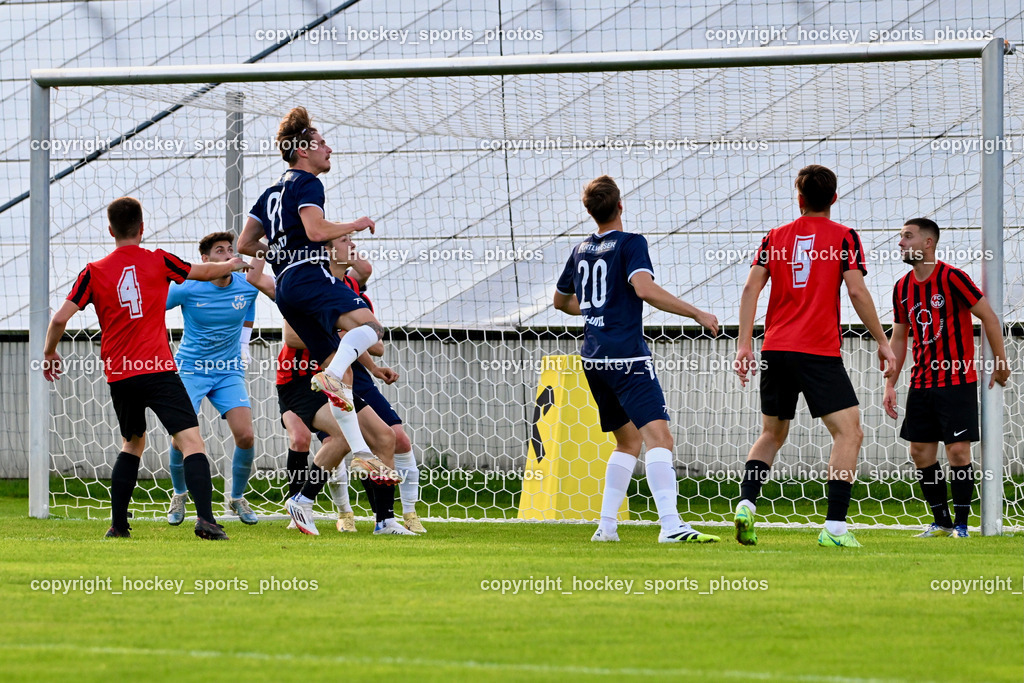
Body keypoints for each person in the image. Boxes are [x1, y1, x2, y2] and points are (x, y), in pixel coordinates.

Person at [41, 196, 247, 540]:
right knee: (192, 442)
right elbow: (206, 271)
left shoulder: (93, 271)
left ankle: (118, 526)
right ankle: (206, 520)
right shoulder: (160, 260)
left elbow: (60, 318)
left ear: (111, 231)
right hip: (158, 369)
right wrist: (234, 263)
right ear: (142, 228)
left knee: (132, 444)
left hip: (121, 373)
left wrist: (49, 352)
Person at [237, 106, 393, 531]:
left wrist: (278, 254)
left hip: (288, 286)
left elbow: (245, 244)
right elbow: (317, 231)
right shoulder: (307, 183)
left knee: (343, 379)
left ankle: (341, 472)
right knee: (372, 328)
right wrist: (356, 223)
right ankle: (336, 381)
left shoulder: (270, 193)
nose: (329, 149)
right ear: (303, 150)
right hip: (308, 276)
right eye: (322, 142)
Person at [734, 164, 896, 548]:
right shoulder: (844, 236)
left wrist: (744, 344)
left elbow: (750, 289)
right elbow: (856, 291)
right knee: (849, 432)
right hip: (817, 350)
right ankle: (835, 528)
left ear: (799, 199)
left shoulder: (774, 237)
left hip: (775, 348)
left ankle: (746, 504)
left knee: (771, 433)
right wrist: (883, 340)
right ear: (834, 198)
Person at [553, 175, 721, 544]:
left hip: (594, 359)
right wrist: (696, 313)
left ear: (589, 212)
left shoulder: (580, 249)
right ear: (620, 206)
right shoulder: (631, 243)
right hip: (627, 357)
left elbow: (560, 302)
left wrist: (596, 309)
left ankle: (606, 527)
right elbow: (644, 289)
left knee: (627, 442)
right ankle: (671, 526)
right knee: (660, 438)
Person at [883, 218, 1010, 538]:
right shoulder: (901, 287)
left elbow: (989, 317)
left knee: (958, 452)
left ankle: (963, 526)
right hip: (921, 383)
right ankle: (941, 521)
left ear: (928, 243)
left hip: (956, 381)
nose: (901, 243)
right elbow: (899, 337)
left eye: (907, 237)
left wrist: (1001, 361)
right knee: (919, 452)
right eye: (901, 237)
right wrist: (890, 383)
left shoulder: (953, 278)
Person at [164, 232, 260, 525]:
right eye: (220, 251)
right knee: (182, 438)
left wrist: (243, 345)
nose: (228, 254)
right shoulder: (186, 287)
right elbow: (152, 308)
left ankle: (237, 497)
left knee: (246, 436)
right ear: (205, 260)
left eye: (230, 249)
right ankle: (179, 494)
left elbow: (249, 308)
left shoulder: (247, 286)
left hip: (228, 370)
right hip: (190, 369)